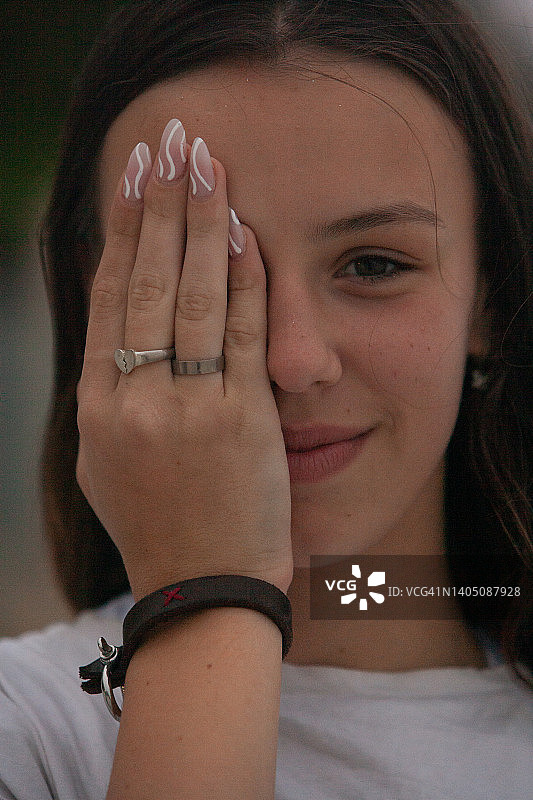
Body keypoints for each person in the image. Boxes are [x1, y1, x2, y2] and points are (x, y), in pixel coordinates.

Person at [1, 0, 532, 797]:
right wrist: (205, 587)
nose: (291, 360)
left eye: (374, 265)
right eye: (203, 272)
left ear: (488, 296)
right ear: (102, 294)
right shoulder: (28, 732)